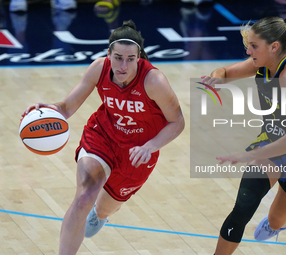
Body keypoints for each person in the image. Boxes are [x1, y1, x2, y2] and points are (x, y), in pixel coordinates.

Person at [22, 20, 185, 255]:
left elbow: (177, 122)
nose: (123, 65)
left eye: (130, 59)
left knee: (105, 208)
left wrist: (151, 146)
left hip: (138, 151)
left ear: (139, 58)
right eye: (118, 57)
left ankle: (100, 214)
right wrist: (49, 109)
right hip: (103, 135)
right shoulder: (99, 68)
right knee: (84, 195)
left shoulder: (154, 81)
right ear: (108, 54)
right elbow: (67, 107)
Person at [201, 16, 286, 255]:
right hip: (274, 145)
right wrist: (217, 76)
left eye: (253, 46)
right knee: (242, 208)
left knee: (276, 220)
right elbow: (226, 71)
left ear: (274, 47)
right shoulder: (263, 62)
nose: (247, 50)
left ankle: (280, 222)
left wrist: (246, 155)